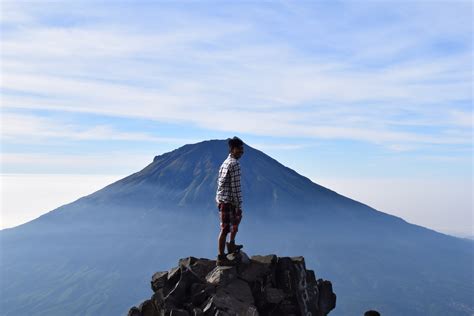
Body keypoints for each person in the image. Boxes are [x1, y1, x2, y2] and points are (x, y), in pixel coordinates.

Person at [215, 137, 244, 266]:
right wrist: (238, 204)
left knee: (233, 223)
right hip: (229, 201)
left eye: (242, 149)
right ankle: (221, 256)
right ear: (232, 149)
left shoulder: (225, 162)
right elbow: (235, 186)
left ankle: (231, 245)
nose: (241, 152)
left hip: (222, 199)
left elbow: (220, 183)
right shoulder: (234, 164)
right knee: (226, 228)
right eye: (239, 149)